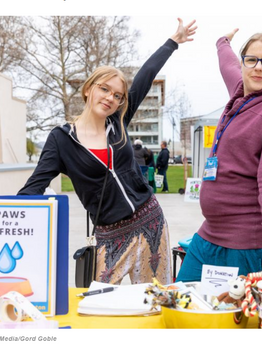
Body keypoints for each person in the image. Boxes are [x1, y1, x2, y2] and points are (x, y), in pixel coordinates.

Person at [17, 18, 197, 285]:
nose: (110, 98)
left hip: (150, 222)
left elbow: (145, 77)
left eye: (117, 95)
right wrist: (1, 218)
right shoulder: (61, 139)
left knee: (154, 301)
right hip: (109, 236)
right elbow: (33, 188)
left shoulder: (118, 123)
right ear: (89, 89)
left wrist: (172, 42)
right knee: (98, 307)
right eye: (104, 89)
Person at [176, 29, 262, 282]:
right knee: (181, 304)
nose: (258, 67)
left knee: (231, 319)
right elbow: (227, 64)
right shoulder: (241, 92)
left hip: (245, 245)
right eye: (251, 60)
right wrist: (222, 42)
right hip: (208, 235)